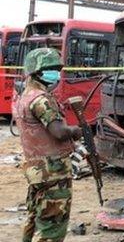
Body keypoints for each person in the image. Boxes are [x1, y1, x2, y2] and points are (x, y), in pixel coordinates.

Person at [13, 48, 82, 242]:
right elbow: (59, 132)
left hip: (36, 170)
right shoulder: (41, 99)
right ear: (37, 72)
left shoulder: (23, 97)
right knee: (53, 227)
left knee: (35, 217)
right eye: (51, 69)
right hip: (53, 171)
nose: (57, 74)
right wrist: (76, 131)